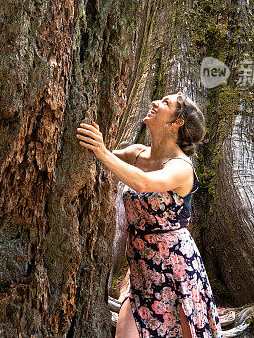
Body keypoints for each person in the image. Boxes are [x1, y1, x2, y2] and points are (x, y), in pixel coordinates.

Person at [76, 92, 221, 338]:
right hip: (141, 269)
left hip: (176, 269)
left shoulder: (181, 167)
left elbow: (143, 183)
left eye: (166, 103)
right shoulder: (137, 153)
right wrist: (96, 146)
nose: (155, 102)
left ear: (177, 123)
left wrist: (102, 151)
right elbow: (105, 156)